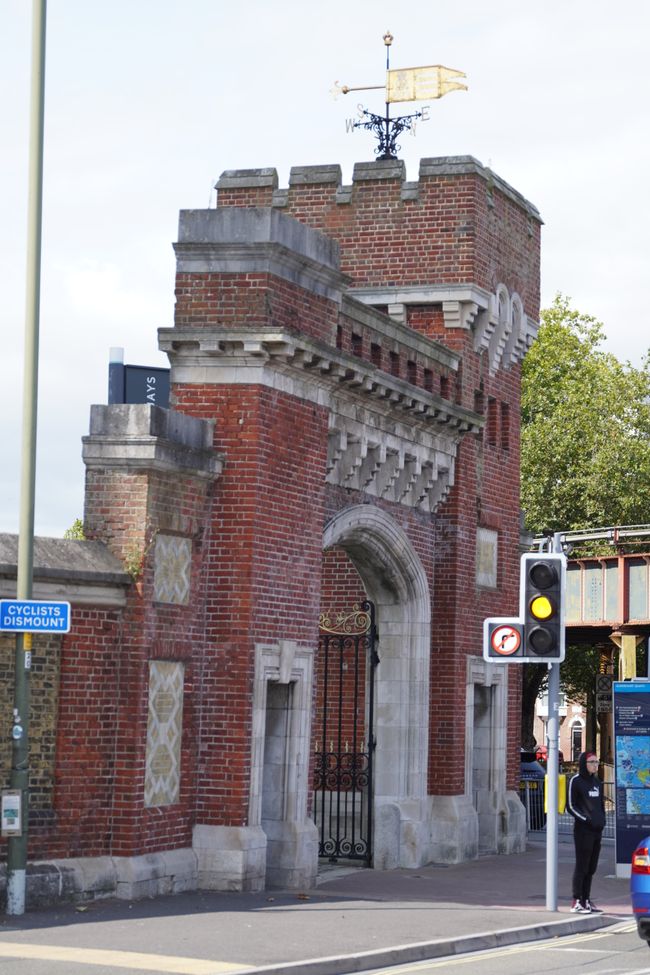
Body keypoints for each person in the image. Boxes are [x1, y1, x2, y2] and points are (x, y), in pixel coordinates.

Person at [567, 751, 606, 913]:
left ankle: (586, 899)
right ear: (584, 763)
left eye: (597, 762)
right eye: (592, 762)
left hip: (597, 831)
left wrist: (602, 821)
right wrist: (585, 819)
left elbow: (600, 806)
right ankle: (576, 900)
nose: (595, 765)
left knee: (591, 867)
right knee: (582, 866)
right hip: (583, 831)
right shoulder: (576, 781)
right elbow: (570, 806)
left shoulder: (597, 782)